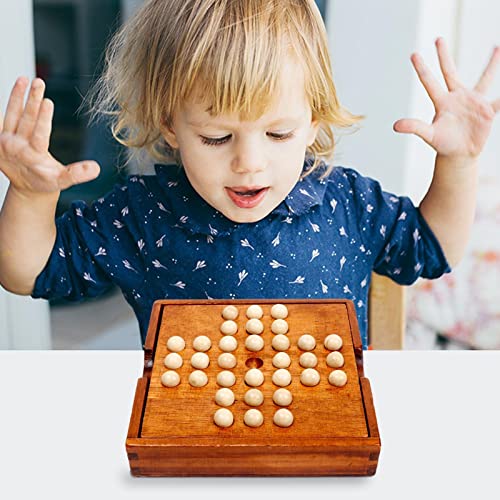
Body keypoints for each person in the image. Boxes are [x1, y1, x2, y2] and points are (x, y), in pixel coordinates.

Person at [0, 0, 498, 349]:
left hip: (323, 445)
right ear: (170, 125)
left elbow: (434, 249)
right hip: (191, 447)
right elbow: (27, 273)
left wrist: (458, 162)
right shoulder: (141, 215)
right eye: (217, 138)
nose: (249, 163)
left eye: (278, 134)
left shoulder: (347, 203)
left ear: (315, 119)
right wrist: (28, 196)